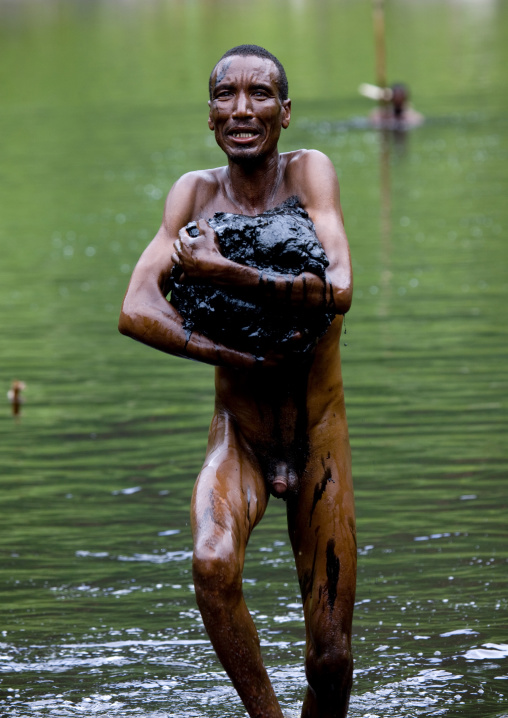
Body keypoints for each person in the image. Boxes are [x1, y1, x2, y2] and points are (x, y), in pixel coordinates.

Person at [119, 44, 356, 718]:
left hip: (316, 438)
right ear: (211, 115)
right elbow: (136, 309)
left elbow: (339, 288)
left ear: (285, 112)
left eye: (259, 95)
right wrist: (239, 355)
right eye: (226, 94)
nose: (241, 108)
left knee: (331, 658)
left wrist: (231, 276)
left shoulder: (310, 175)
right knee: (211, 563)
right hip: (243, 433)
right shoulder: (194, 195)